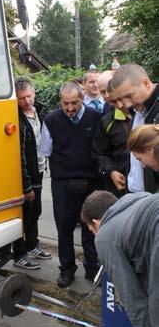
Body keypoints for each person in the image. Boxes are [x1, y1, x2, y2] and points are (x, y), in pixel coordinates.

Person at [81, 190, 159, 327]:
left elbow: (133, 301)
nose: (93, 233)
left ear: (97, 222)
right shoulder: (137, 199)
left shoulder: (105, 236)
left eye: (90, 229)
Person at [40, 81, 102, 287]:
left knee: (90, 228)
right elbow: (47, 151)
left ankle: (92, 268)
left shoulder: (95, 117)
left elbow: (100, 149)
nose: (69, 108)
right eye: (65, 103)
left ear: (82, 98)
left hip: (91, 182)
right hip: (62, 183)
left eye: (74, 103)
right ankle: (66, 269)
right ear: (60, 101)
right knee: (64, 228)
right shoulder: (51, 120)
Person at [12, 77, 52, 270]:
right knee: (24, 215)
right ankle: (19, 254)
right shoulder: (16, 119)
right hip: (27, 175)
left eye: (29, 96)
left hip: (40, 169)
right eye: (21, 98)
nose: (27, 101)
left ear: (34, 93)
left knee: (35, 211)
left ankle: (33, 245)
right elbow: (19, 155)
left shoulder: (39, 112)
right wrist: (26, 185)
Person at [110, 63, 159, 193]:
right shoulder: (136, 112)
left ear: (146, 83)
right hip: (135, 196)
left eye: (129, 96)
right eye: (120, 99)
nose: (126, 104)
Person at [92, 81, 133, 197]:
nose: (120, 105)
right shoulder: (106, 122)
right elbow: (99, 153)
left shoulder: (146, 115)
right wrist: (111, 172)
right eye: (114, 102)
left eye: (122, 99)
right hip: (120, 187)